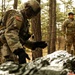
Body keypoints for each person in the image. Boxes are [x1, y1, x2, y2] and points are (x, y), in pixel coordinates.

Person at [0, 0, 47, 64]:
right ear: (26, 8)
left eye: (34, 14)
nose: (31, 15)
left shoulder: (25, 22)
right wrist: (19, 51)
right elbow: (10, 34)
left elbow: (20, 39)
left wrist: (34, 44)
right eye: (31, 11)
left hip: (10, 47)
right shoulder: (17, 15)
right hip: (4, 47)